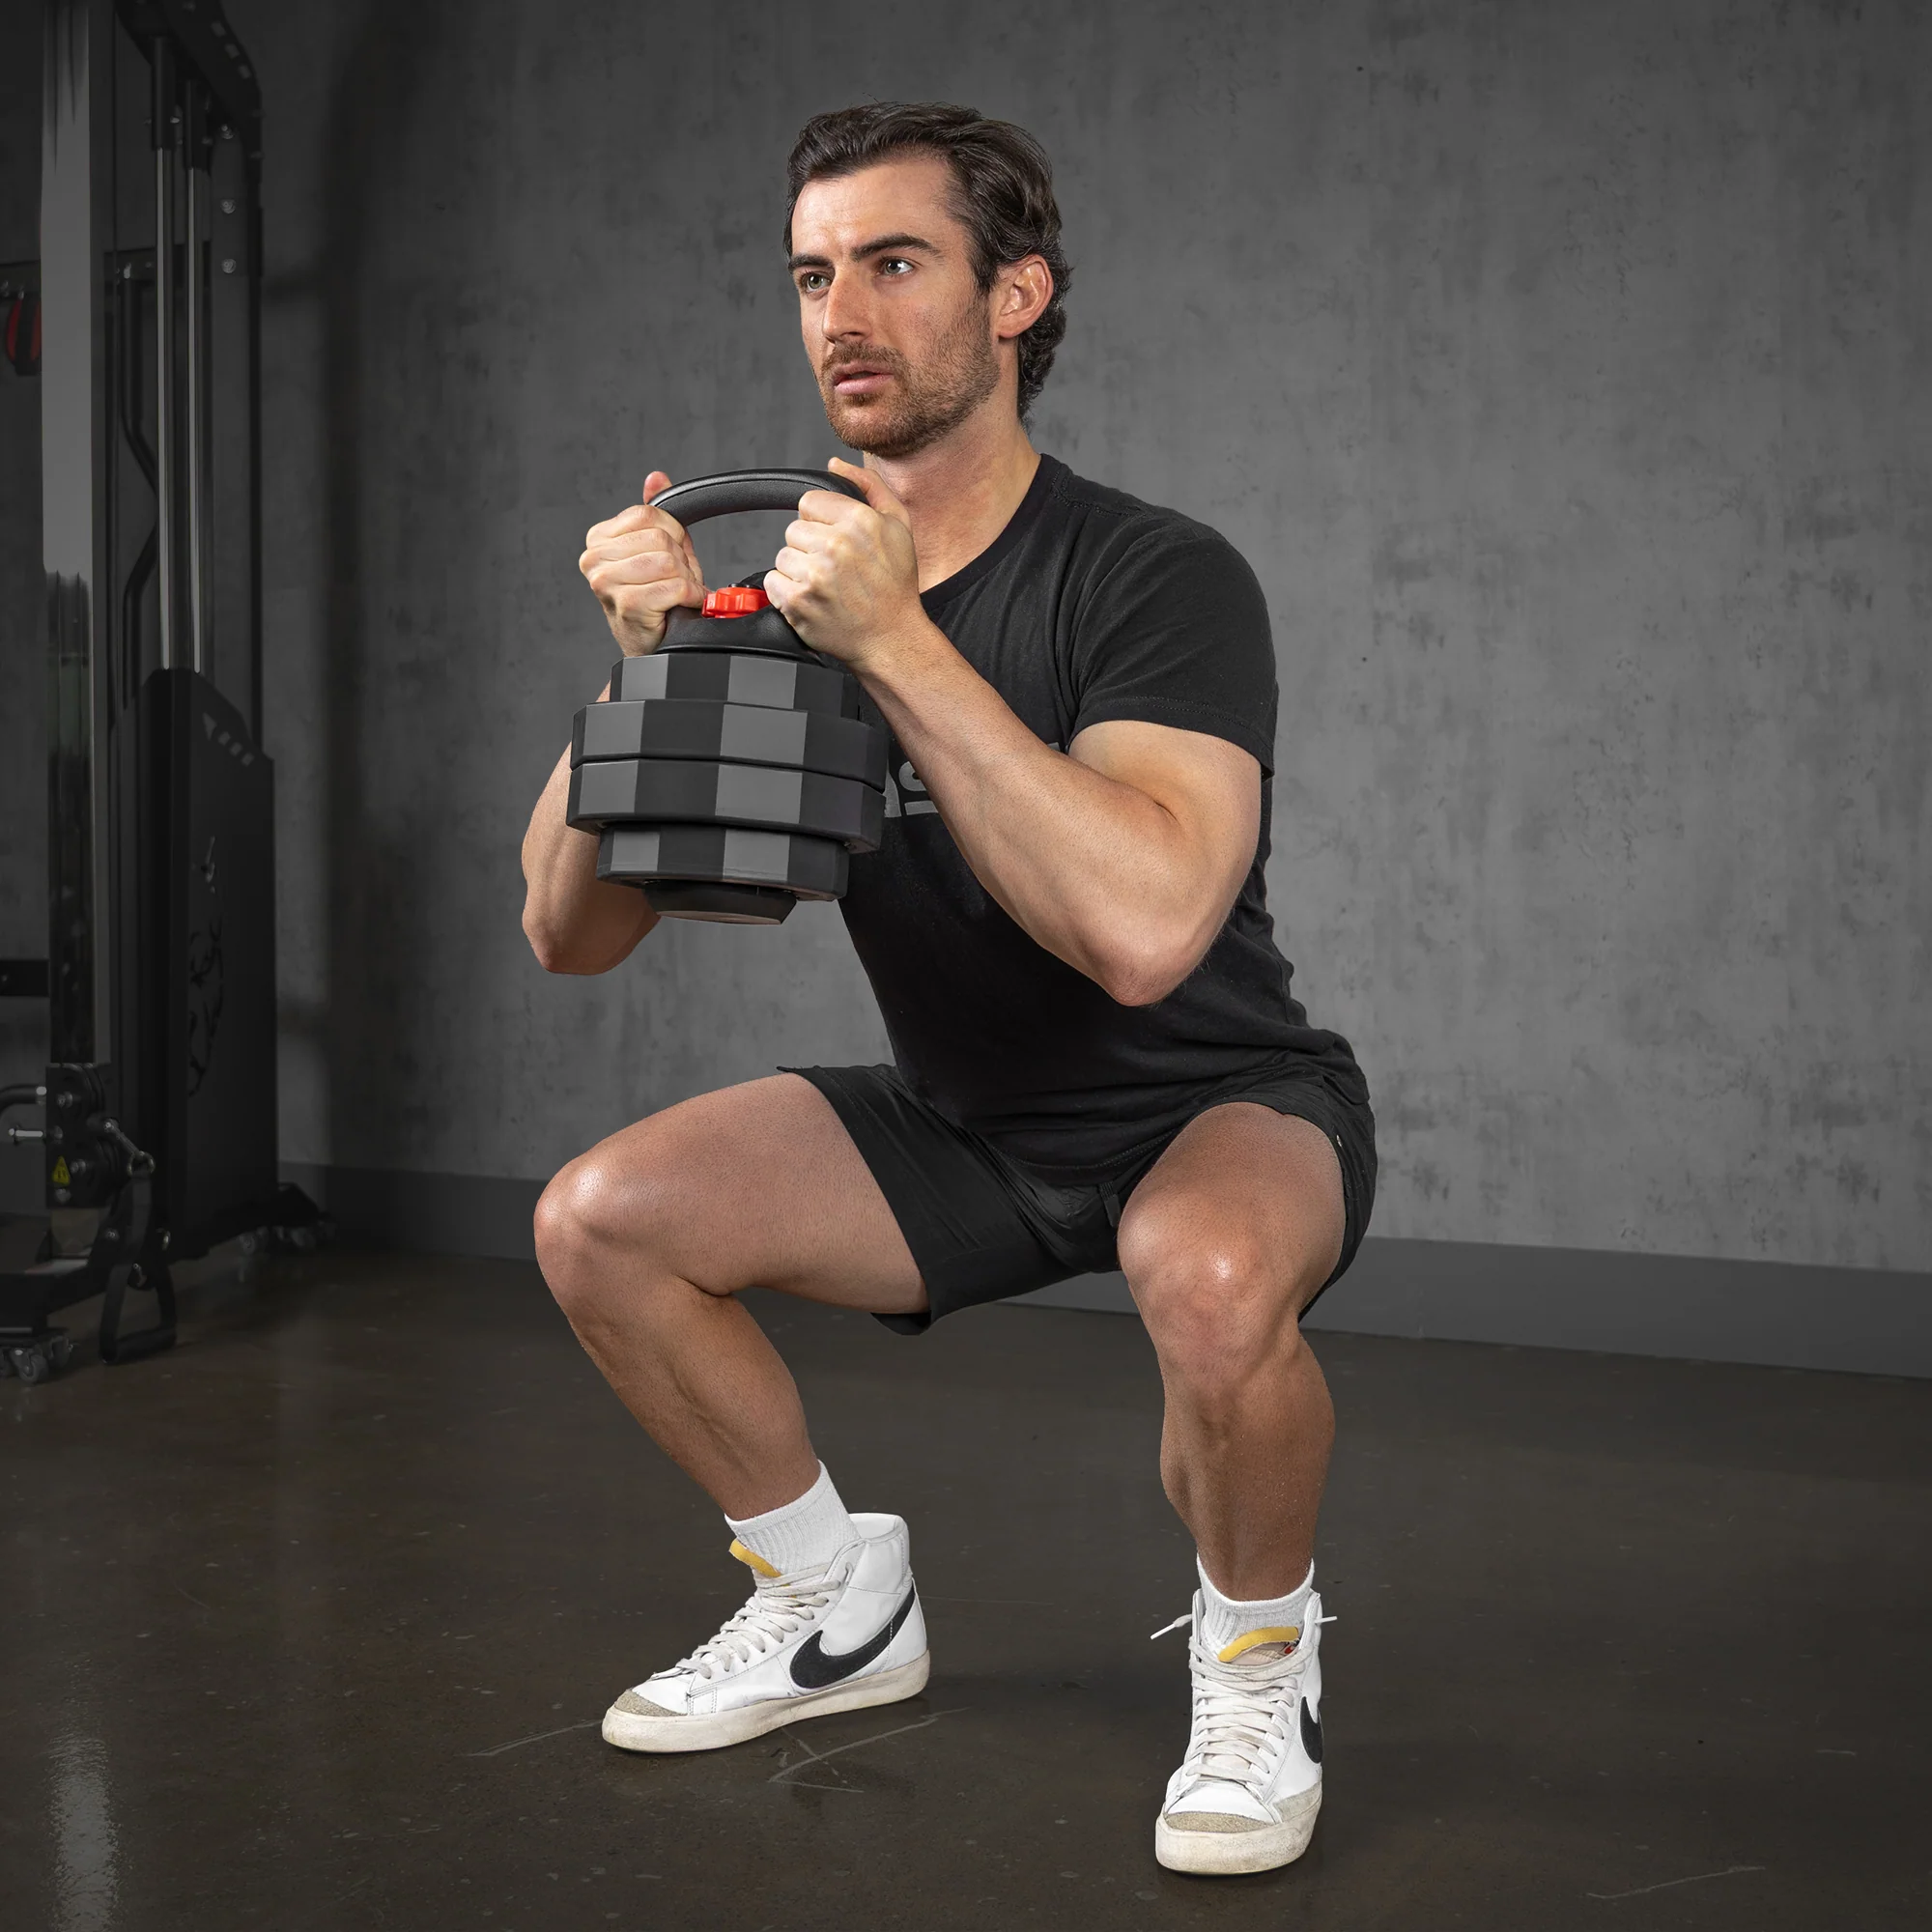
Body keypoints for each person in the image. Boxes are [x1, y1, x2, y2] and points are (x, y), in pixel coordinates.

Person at [520, 100, 1376, 1878]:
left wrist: (896, 642)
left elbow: (1144, 933)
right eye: (811, 275)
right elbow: (569, 931)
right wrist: (653, 673)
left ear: (1014, 296)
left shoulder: (1151, 574)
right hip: (965, 1125)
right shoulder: (781, 596)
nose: (842, 313)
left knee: (1209, 1279)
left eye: (895, 263)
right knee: (600, 1225)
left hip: (1212, 1105)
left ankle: (1258, 1661)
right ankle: (832, 1599)